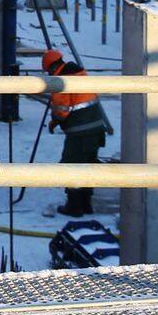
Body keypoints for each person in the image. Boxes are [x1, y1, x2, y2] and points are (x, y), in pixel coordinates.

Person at [40, 48, 111, 217]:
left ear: (50, 67)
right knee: (88, 165)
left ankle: (74, 206)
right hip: (96, 130)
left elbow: (62, 110)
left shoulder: (60, 81)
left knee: (70, 166)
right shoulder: (80, 73)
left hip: (80, 134)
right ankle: (86, 203)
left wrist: (54, 119)